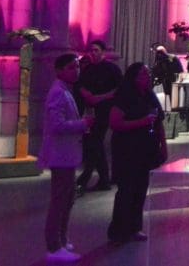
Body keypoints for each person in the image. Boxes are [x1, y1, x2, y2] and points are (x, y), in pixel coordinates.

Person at [40, 53, 95, 263]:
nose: (76, 71)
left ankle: (62, 239)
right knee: (59, 200)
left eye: (77, 67)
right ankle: (54, 246)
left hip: (67, 155)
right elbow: (56, 125)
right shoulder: (58, 93)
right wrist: (82, 124)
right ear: (60, 70)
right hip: (60, 155)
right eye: (72, 67)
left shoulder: (65, 91)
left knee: (67, 199)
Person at [107, 62, 165, 244]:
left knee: (140, 189)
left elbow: (158, 121)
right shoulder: (124, 96)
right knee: (126, 189)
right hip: (127, 148)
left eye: (148, 74)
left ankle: (135, 227)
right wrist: (141, 122)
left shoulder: (149, 95)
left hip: (145, 148)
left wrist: (163, 144)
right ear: (133, 77)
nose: (147, 77)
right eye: (143, 74)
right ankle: (118, 230)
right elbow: (115, 123)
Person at [75, 40, 122, 192]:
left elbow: (118, 89)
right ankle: (103, 179)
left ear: (102, 51)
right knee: (95, 143)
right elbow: (79, 85)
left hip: (105, 110)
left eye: (96, 50)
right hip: (90, 111)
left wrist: (100, 97)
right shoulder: (88, 69)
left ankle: (88, 175)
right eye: (91, 50)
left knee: (96, 141)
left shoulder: (112, 69)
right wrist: (86, 94)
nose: (93, 53)